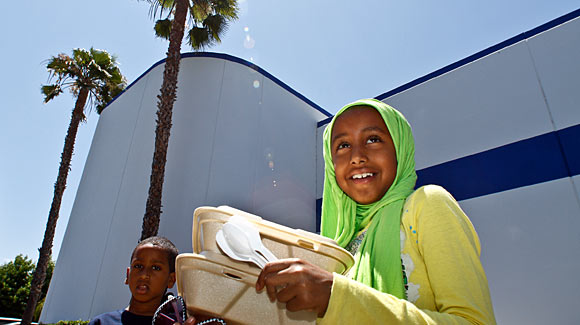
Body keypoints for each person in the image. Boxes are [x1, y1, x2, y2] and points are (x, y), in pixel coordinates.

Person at [256, 99, 496, 324]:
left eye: (373, 139)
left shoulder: (426, 204)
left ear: (399, 149)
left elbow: (473, 321)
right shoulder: (336, 244)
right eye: (343, 145)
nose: (357, 157)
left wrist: (338, 297)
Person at [89, 236, 179, 325]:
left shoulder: (176, 323)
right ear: (128, 274)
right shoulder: (101, 322)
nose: (143, 275)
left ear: (171, 279)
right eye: (138, 266)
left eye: (155, 268)